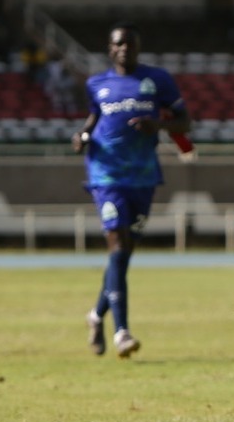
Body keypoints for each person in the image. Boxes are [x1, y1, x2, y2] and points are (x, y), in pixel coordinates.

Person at [72, 23, 192, 359]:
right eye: (118, 43)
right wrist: (81, 136)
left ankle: (95, 315)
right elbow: (94, 116)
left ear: (138, 47)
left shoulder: (157, 81)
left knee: (122, 256)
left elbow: (185, 123)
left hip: (143, 177)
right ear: (110, 49)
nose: (124, 48)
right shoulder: (96, 83)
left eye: (130, 43)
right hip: (106, 175)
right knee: (119, 244)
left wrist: (160, 125)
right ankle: (121, 332)